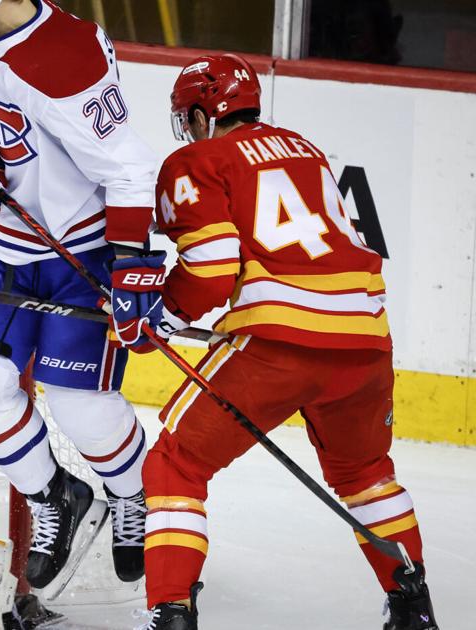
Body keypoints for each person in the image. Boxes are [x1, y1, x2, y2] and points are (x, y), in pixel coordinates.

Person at [110, 54, 437, 629]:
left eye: (189, 117)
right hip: (365, 343)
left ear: (203, 114)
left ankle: (170, 612)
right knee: (365, 475)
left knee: (175, 465)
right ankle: (413, 607)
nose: (187, 129)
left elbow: (210, 268)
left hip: (278, 346)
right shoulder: (305, 149)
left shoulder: (196, 159)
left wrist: (163, 315)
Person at [0, 0, 158, 597]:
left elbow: (130, 170)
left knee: (83, 409)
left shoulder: (65, 56)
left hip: (80, 255)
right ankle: (55, 495)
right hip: (4, 252)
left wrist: (131, 265)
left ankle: (133, 496)